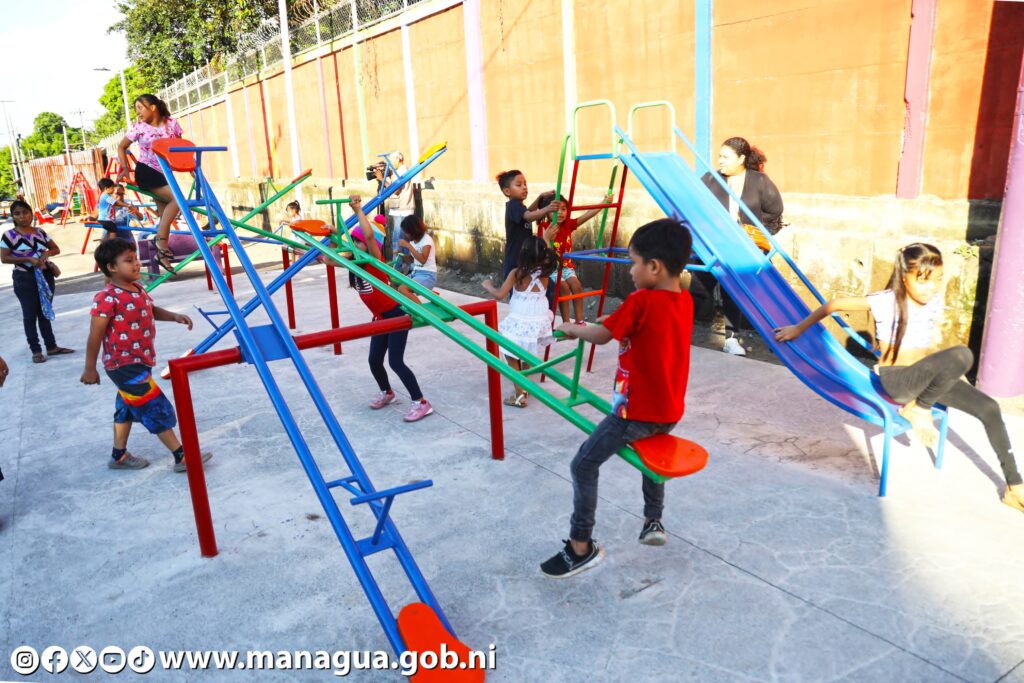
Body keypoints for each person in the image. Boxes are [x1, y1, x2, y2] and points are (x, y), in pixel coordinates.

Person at [774, 243, 1023, 513]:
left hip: (924, 379)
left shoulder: (933, 301)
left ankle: (1014, 487)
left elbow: (926, 346)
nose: (932, 287)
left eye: (938, 279)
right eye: (923, 280)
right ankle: (919, 409)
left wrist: (942, 373)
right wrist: (798, 328)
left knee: (989, 407)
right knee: (962, 354)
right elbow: (834, 305)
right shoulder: (886, 301)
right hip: (898, 381)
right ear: (905, 277)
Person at [540, 219, 695, 578]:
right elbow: (648, 328)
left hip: (633, 413)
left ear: (654, 266)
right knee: (652, 458)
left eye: (633, 263)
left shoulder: (640, 300)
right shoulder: (684, 300)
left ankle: (581, 546)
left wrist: (570, 327)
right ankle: (653, 519)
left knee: (583, 465)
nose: (630, 270)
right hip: (669, 410)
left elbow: (601, 335)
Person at [81, 238, 213, 471]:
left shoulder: (137, 288)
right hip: (123, 365)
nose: (136, 264)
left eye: (135, 259)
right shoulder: (107, 297)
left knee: (127, 407)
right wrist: (89, 368)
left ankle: (119, 455)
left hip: (141, 360)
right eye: (128, 260)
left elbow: (149, 309)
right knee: (154, 406)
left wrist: (173, 316)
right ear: (112, 267)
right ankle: (182, 456)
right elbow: (95, 335)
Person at [695, 137, 784, 356]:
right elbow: (695, 206)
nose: (720, 161)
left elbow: (775, 212)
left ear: (741, 158)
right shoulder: (711, 178)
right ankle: (675, 332)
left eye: (726, 157)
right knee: (698, 290)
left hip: (745, 249)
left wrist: (756, 234)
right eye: (720, 156)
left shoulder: (759, 181)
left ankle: (732, 339)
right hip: (713, 246)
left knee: (734, 293)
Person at [348, 194, 434, 423]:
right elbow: (329, 258)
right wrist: (327, 235)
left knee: (395, 361)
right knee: (374, 360)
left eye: (358, 243)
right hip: (380, 317)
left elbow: (368, 236)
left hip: (396, 315)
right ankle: (387, 392)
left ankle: (421, 402)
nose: (355, 246)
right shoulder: (354, 265)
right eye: (353, 242)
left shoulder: (374, 262)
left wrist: (358, 210)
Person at [482, 236, 558, 408]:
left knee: (509, 352)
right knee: (526, 351)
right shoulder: (545, 274)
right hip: (539, 321)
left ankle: (519, 396)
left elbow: (500, 295)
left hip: (521, 319)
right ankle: (524, 385)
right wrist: (546, 240)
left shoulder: (517, 273)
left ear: (523, 254)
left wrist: (487, 285)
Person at [116, 94, 185, 273]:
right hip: (147, 171)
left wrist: (190, 167)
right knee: (178, 200)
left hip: (166, 173)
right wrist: (125, 167)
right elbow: (121, 147)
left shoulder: (172, 124)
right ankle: (160, 243)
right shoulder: (139, 127)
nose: (138, 112)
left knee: (165, 216)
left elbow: (181, 149)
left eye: (140, 108)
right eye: (136, 109)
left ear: (153, 107)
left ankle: (162, 256)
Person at [0, 200, 74, 364]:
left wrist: (47, 254)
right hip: (24, 278)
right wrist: (27, 258)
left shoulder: (40, 232)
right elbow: (4, 258)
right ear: (13, 216)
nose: (22, 216)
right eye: (17, 214)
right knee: (29, 315)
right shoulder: (9, 236)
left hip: (45, 276)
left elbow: (55, 248)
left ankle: (51, 346)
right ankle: (36, 350)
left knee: (44, 312)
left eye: (25, 212)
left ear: (31, 213)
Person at [539, 192, 614, 324]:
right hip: (552, 268)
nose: (560, 213)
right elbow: (542, 249)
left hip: (566, 266)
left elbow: (587, 215)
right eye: (556, 210)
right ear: (547, 212)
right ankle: (566, 323)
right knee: (564, 288)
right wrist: (547, 237)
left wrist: (604, 203)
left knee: (577, 286)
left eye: (564, 209)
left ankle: (579, 321)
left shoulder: (568, 224)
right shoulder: (545, 227)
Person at [495, 170, 558, 279]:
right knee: (515, 284)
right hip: (515, 257)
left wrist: (540, 198)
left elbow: (528, 212)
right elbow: (529, 216)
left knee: (522, 284)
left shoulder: (518, 206)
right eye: (519, 185)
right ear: (507, 191)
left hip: (522, 255)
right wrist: (547, 209)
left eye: (525, 184)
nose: (524, 187)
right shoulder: (513, 205)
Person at [396, 215, 436, 299]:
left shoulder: (426, 240)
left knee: (403, 289)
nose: (405, 235)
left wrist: (408, 246)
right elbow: (412, 259)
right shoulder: (413, 241)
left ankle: (419, 307)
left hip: (428, 275)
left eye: (407, 232)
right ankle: (405, 306)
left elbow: (423, 260)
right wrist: (400, 254)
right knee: (395, 284)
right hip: (415, 273)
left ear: (413, 230)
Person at [386, 152, 415, 262]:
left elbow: (396, 190)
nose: (391, 163)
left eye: (392, 160)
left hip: (402, 210)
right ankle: (406, 265)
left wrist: (382, 180)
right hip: (401, 209)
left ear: (399, 159)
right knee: (405, 239)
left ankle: (397, 266)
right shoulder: (399, 171)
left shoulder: (402, 171)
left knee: (397, 239)